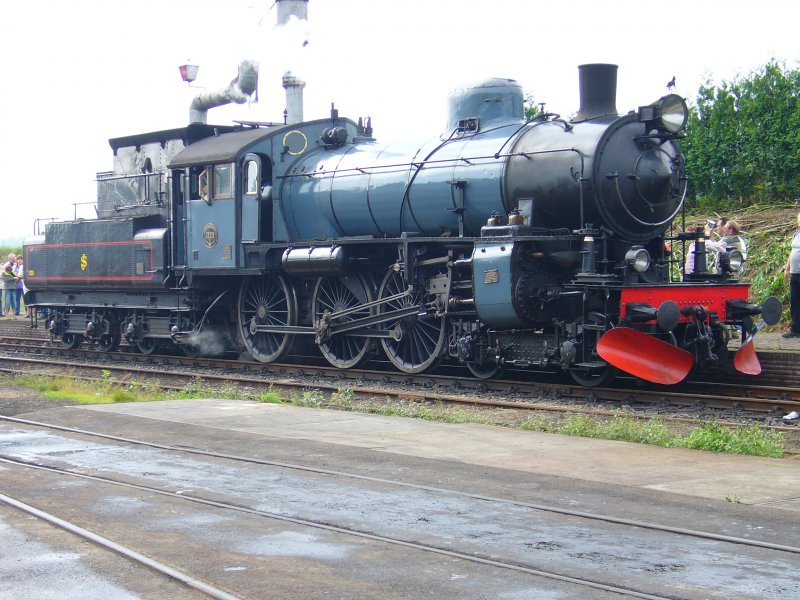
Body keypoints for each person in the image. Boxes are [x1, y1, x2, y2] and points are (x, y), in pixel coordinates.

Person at [783, 212, 800, 338]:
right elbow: (792, 251)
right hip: (794, 273)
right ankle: (795, 329)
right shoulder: (796, 234)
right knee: (794, 302)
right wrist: (787, 268)